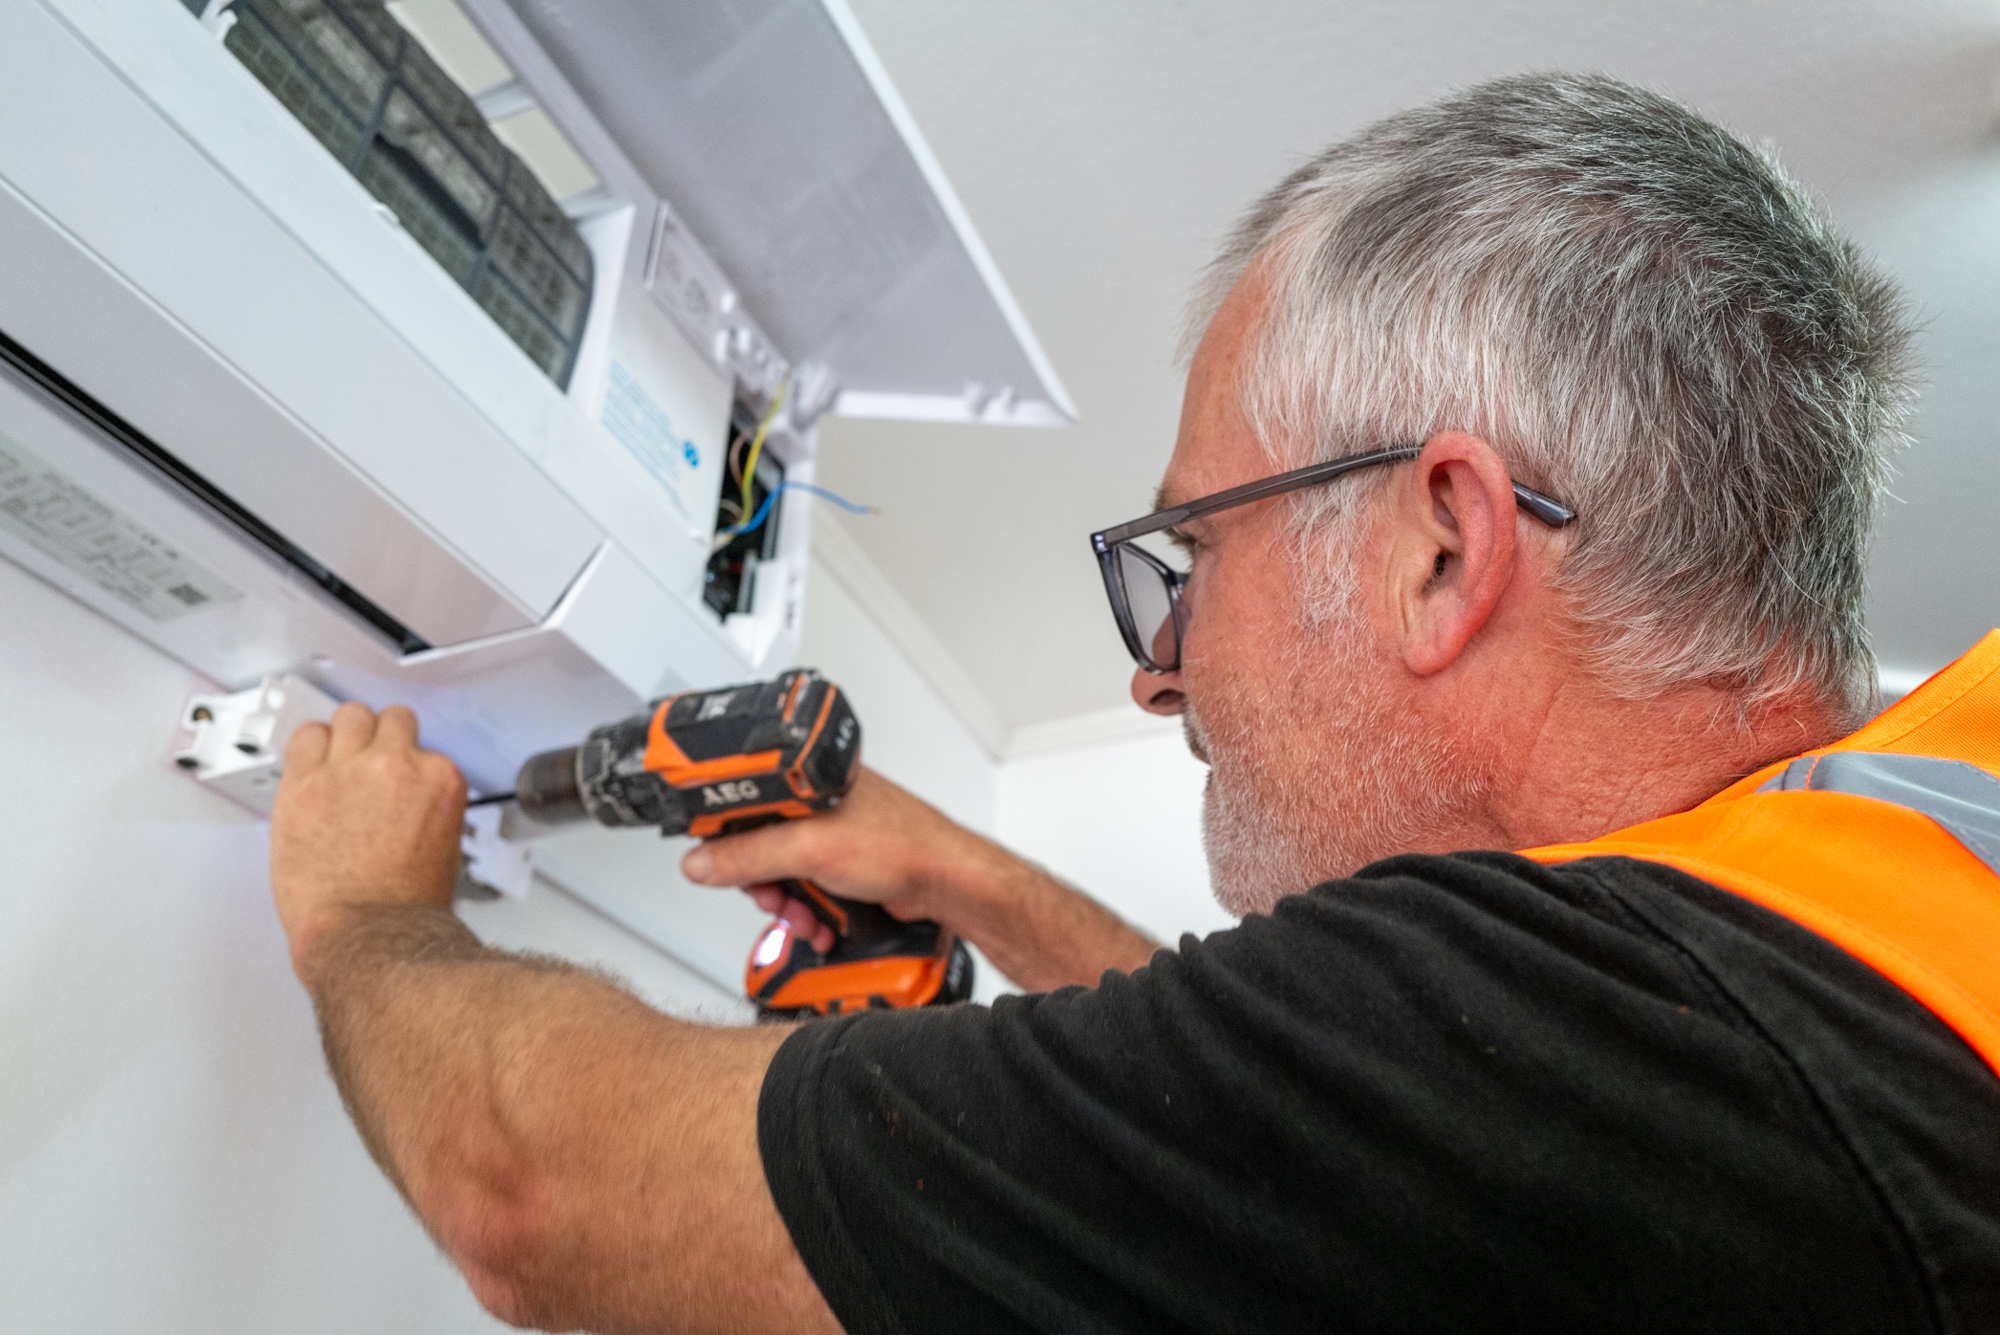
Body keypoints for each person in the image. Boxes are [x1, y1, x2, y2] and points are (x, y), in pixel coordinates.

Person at [268, 72, 2000, 1334]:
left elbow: (532, 1191)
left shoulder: (1596, 1041)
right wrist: (988, 886)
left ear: (1439, 549)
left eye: (1193, 554)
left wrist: (362, 910)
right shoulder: (1871, 902)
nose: (1155, 670)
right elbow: (1292, 1145)